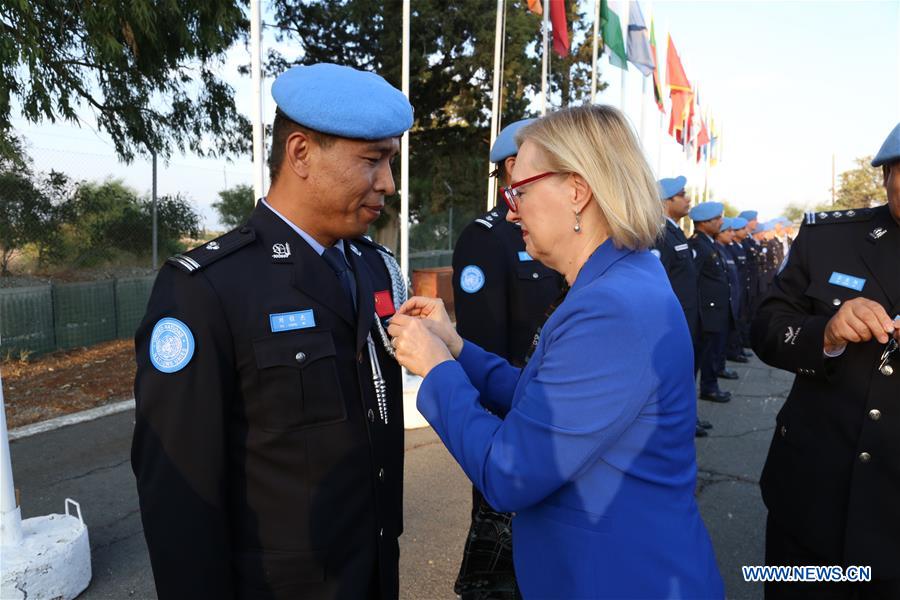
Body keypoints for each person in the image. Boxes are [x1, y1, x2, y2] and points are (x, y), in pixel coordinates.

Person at [388, 105, 723, 599]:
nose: (510, 210)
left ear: (577, 191)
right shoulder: (619, 277)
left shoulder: (611, 307)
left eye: (520, 191)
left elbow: (509, 473)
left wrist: (436, 370)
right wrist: (455, 347)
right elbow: (541, 395)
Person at [131, 63, 412, 599]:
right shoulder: (207, 289)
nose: (388, 183)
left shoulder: (373, 267)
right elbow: (178, 493)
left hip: (373, 573)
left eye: (390, 161)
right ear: (300, 153)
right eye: (372, 160)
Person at [751, 122, 900, 598]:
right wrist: (827, 334)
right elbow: (766, 326)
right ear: (886, 175)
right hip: (811, 504)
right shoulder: (829, 238)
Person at [451, 119, 565, 600]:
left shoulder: (554, 229)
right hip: (510, 415)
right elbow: (482, 341)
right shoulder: (486, 237)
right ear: (515, 165)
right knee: (501, 550)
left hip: (546, 403)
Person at [652, 175, 712, 437]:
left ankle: (686, 418)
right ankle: (674, 424)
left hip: (686, 319)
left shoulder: (675, 231)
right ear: (666, 201)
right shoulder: (659, 234)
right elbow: (656, 285)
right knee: (671, 377)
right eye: (682, 195)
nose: (688, 200)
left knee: (685, 373)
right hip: (671, 323)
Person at [690, 202, 734, 403]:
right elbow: (693, 280)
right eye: (717, 219)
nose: (721, 222)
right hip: (706, 313)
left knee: (712, 352)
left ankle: (710, 387)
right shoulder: (698, 245)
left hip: (715, 311)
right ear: (704, 222)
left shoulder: (709, 243)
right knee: (700, 357)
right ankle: (699, 395)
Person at [725, 216, 751, 364]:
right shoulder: (729, 248)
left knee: (741, 318)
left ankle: (738, 347)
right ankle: (733, 350)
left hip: (741, 289)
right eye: (742, 229)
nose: (746, 231)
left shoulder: (738, 246)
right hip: (734, 291)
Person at [739, 210, 763, 347]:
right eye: (755, 220)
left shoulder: (749, 240)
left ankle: (747, 340)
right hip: (745, 283)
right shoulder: (744, 241)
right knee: (744, 313)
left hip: (752, 283)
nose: (757, 222)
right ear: (747, 222)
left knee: (750, 312)